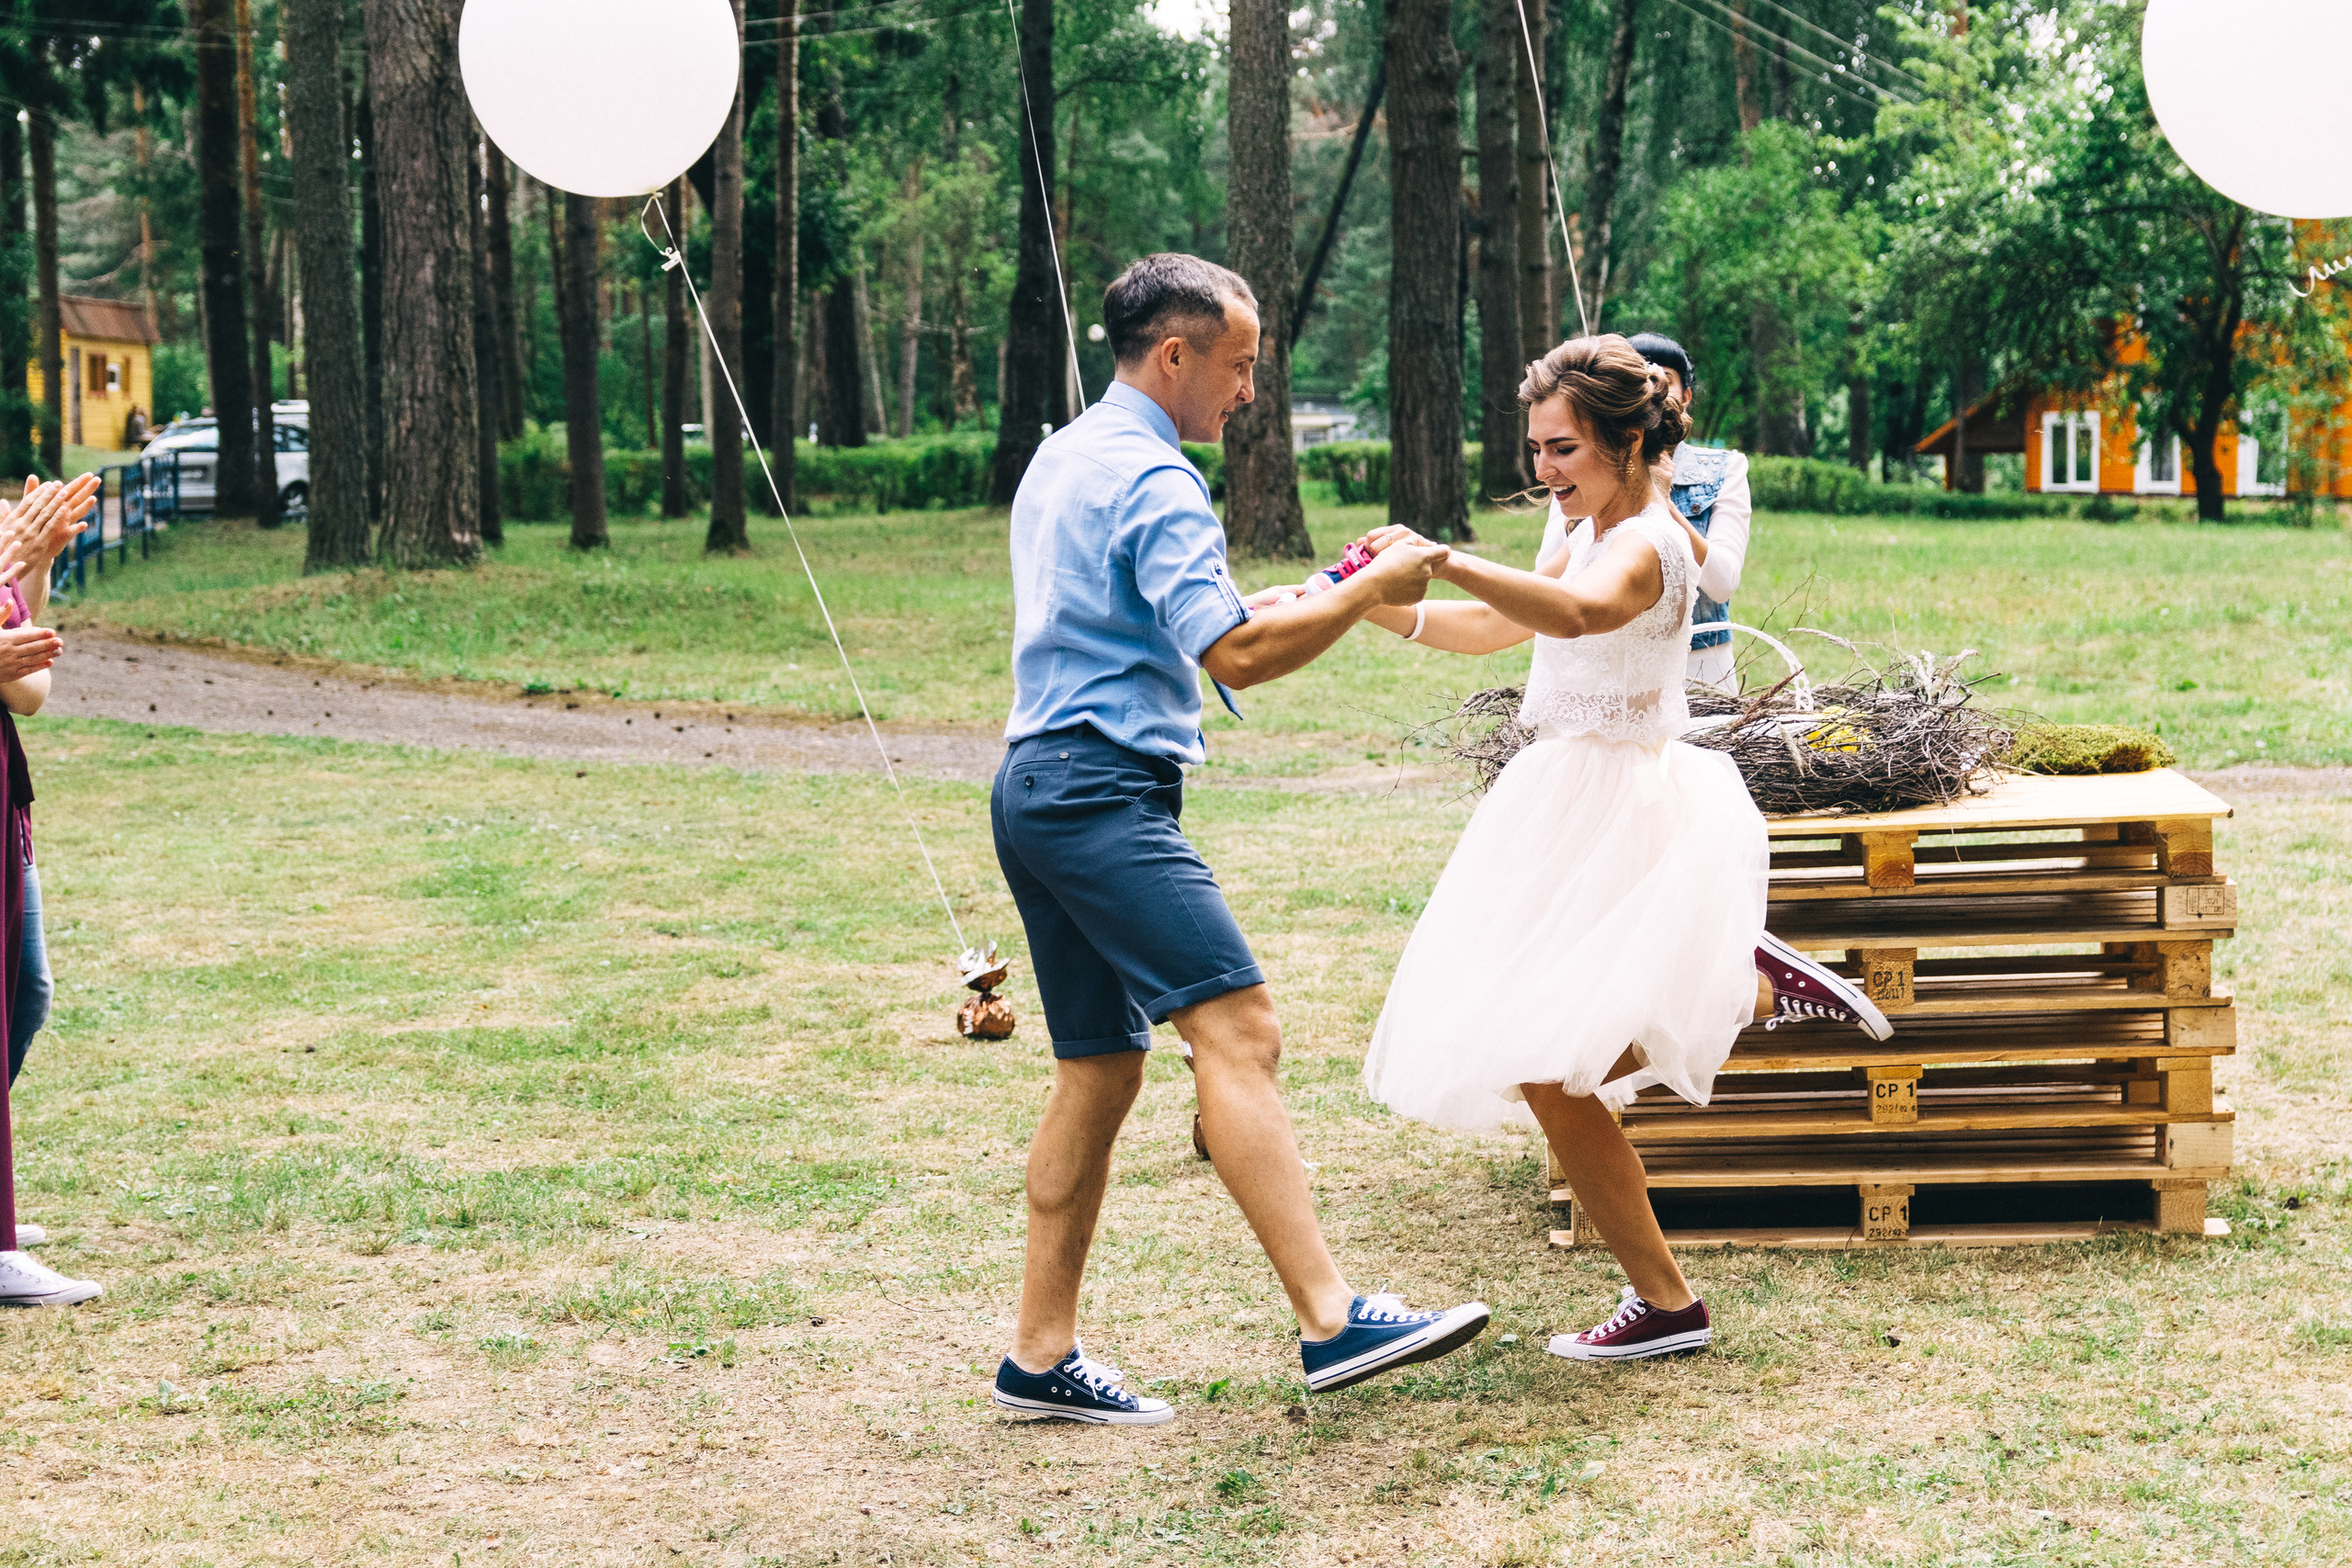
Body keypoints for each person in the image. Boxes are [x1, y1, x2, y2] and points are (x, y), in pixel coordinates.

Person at [989, 254, 1489, 1424]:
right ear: (1174, 355)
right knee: (1240, 1028)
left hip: (1037, 782)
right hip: (1100, 792)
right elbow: (1239, 655)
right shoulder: (1159, 480)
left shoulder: (1068, 455)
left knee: (1101, 1069)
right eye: (1239, 364)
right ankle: (1330, 1321)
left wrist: (1316, 590)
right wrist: (1369, 595)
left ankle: (1037, 1357)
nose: (1249, 391)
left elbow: (1173, 618)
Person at [1353, 336, 1887, 1361]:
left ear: (1628, 440)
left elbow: (1582, 611)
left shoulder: (1650, 541)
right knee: (1552, 1076)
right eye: (1537, 449)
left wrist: (1450, 554)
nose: (1543, 470)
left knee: (1552, 1063)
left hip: (1618, 803)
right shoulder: (1579, 524)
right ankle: (1667, 1300)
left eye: (1561, 450)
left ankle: (1743, 992)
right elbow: (1504, 629)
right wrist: (1375, 604)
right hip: (1559, 793)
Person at [0, 473, 100, 1307]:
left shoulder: (4, 526)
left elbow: (30, 690)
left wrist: (34, 565)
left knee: (27, 996)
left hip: (7, 806)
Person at [1620, 332, 1751, 692]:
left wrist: (1656, 498)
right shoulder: (1586, 469)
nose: (1650, 390)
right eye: (1635, 380)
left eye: (1663, 379)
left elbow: (1722, 584)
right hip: (1617, 667)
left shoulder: (1725, 469)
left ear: (1687, 396)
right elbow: (1553, 576)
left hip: (1702, 667)